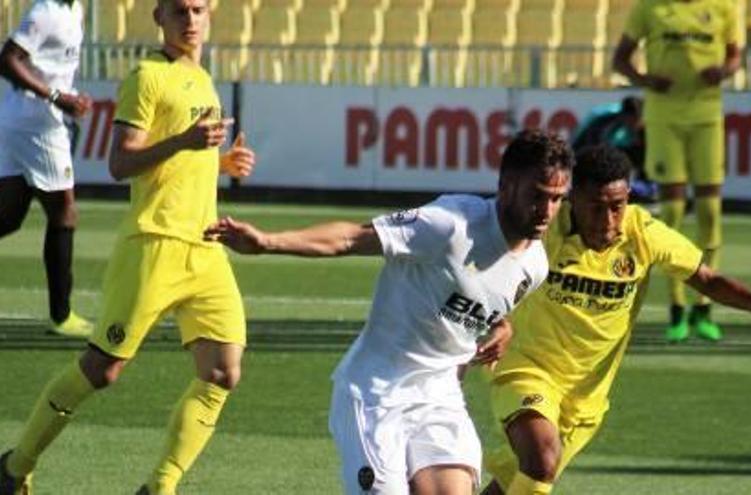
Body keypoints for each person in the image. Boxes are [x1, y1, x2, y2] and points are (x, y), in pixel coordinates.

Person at [204, 129, 574, 495]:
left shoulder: (535, 265)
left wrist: (503, 326)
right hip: (375, 392)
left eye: (557, 199)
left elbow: (483, 297)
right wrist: (268, 242)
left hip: (439, 397)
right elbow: (351, 237)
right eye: (537, 196)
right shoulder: (450, 224)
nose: (546, 211)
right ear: (507, 184)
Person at [0, 1, 256, 493]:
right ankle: (14, 467)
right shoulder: (146, 76)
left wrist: (223, 164)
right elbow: (120, 162)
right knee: (103, 370)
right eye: (180, 10)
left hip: (205, 247)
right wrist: (183, 140)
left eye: (199, 9)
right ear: (159, 17)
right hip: (154, 246)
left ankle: (159, 487)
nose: (191, 19)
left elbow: (180, 161)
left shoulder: (203, 79)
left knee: (223, 371)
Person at [480, 146, 751, 495]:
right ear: (573, 198)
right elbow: (483, 264)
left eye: (617, 206)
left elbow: (705, 278)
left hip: (586, 398)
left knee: (517, 482)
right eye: (596, 207)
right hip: (527, 369)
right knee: (543, 459)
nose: (608, 220)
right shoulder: (544, 228)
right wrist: (494, 321)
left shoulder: (643, 233)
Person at [612, 0, 743, 343]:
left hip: (706, 117)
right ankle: (676, 308)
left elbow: (734, 56)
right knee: (672, 211)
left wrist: (724, 72)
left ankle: (704, 306)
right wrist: (646, 79)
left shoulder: (724, 7)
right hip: (663, 117)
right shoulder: (650, 8)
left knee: (710, 212)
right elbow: (620, 59)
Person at [0, 0, 94, 337]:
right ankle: (62, 315)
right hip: (37, 127)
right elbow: (7, 59)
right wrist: (56, 96)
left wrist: (68, 98)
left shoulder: (75, 9)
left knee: (8, 216)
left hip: (19, 121)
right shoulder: (46, 12)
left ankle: (61, 314)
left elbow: (50, 67)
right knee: (64, 213)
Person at [569, 95, 654, 204]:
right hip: (585, 146)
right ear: (625, 116)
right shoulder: (603, 119)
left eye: (637, 121)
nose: (634, 125)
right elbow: (589, 143)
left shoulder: (644, 121)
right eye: (632, 121)